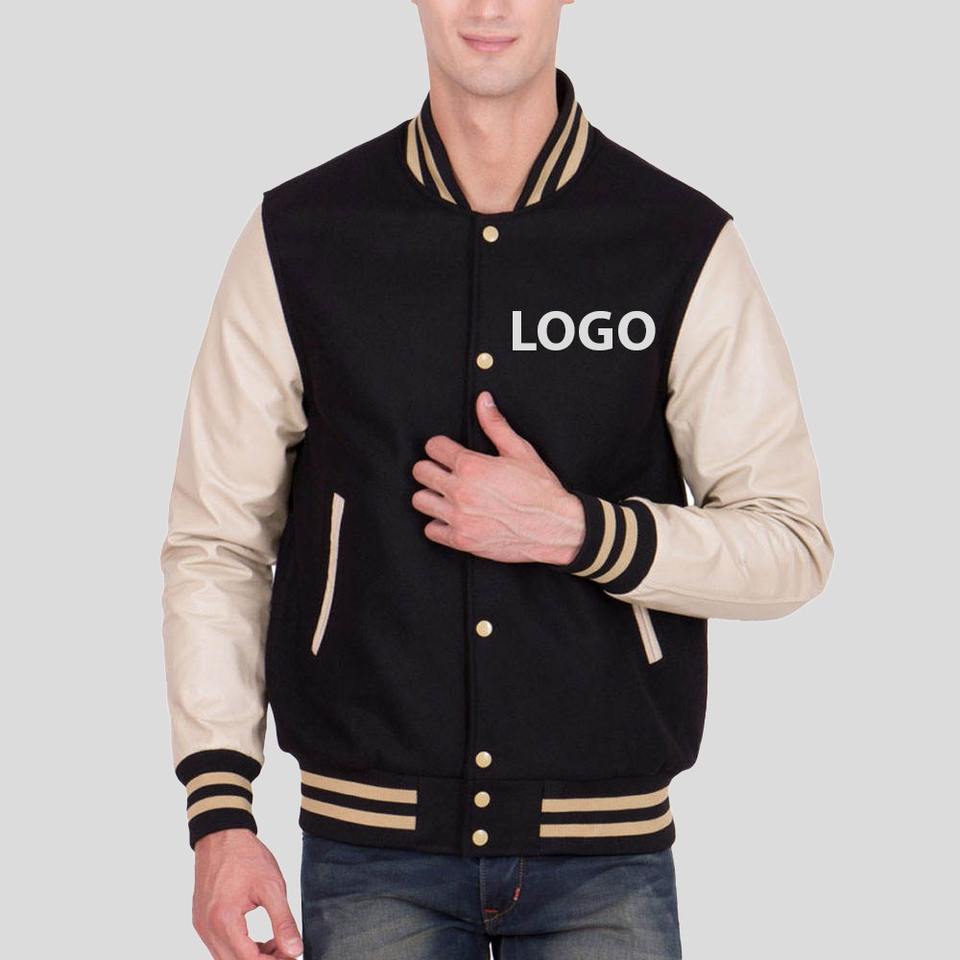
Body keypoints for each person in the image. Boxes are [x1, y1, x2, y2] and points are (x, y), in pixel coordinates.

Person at [160, 1, 834, 957]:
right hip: (369, 850)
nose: (487, 6)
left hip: (606, 860)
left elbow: (791, 544)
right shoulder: (300, 239)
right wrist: (220, 812)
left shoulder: (678, 244)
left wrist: (580, 532)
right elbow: (217, 542)